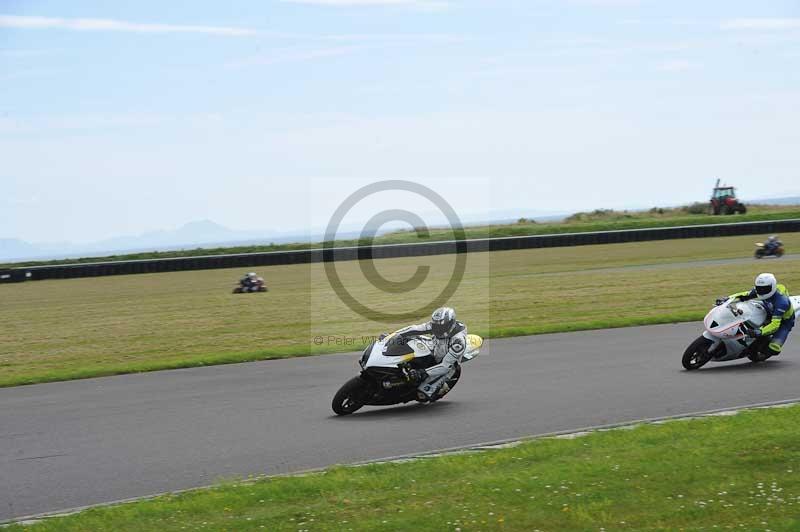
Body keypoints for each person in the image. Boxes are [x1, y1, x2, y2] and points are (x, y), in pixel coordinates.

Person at [392, 307, 468, 402]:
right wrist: (394, 335)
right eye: (435, 325)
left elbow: (445, 366)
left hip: (447, 365)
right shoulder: (436, 325)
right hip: (434, 347)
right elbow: (415, 328)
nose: (437, 329)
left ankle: (442, 387)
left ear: (450, 325)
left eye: (440, 327)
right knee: (409, 341)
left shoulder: (458, 341)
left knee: (422, 395)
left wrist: (422, 372)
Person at [720, 273, 794, 358]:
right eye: (759, 288)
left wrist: (759, 332)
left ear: (773, 287)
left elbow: (775, 325)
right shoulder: (760, 291)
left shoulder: (782, 302)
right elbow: (745, 295)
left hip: (784, 321)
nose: (762, 291)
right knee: (745, 313)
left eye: (765, 289)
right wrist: (728, 299)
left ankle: (762, 346)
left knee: (774, 349)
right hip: (767, 310)